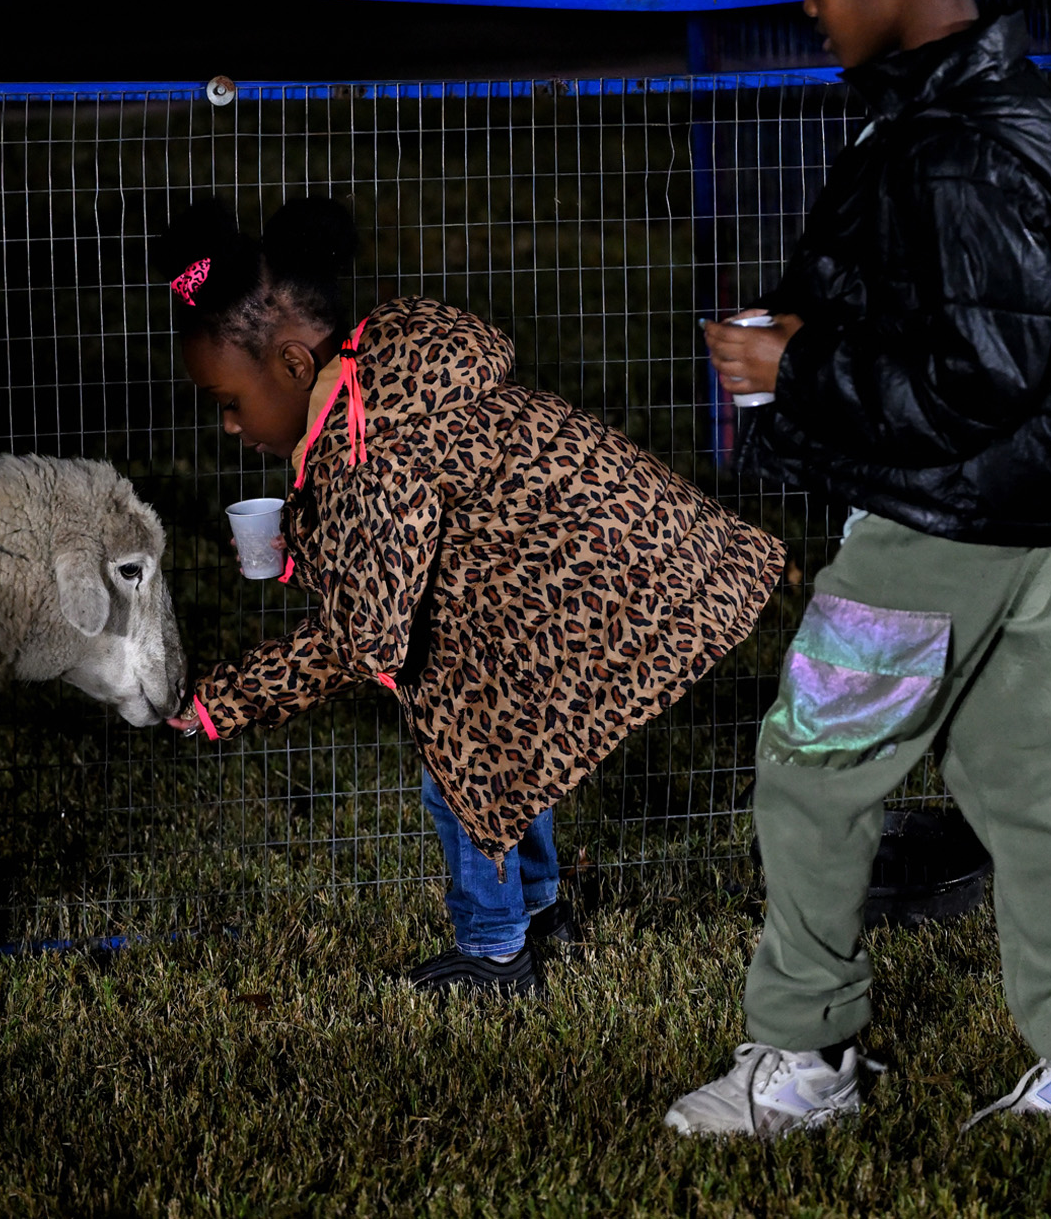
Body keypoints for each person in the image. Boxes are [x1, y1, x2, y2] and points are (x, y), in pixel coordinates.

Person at [668, 0, 1051, 1142]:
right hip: (1022, 523)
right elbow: (980, 330)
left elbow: (976, 373)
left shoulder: (952, 149)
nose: (808, 0)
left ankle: (804, 1058)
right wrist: (814, 332)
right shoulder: (991, 122)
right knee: (1023, 792)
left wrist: (794, 366)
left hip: (935, 521)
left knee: (810, 773)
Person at [159, 195, 785, 994]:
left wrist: (225, 699)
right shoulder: (380, 384)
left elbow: (366, 633)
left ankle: (495, 950)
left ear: (290, 365)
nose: (229, 425)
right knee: (506, 736)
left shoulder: (375, 449)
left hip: (594, 586)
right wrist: (301, 552)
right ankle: (539, 904)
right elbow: (385, 552)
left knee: (460, 762)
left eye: (230, 401)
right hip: (571, 580)